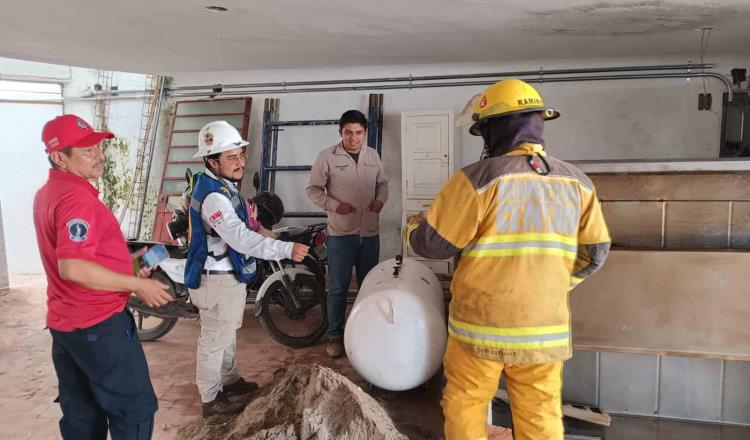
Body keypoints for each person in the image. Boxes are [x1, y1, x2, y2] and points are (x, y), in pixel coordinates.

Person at [405, 79, 611, 440]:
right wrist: (553, 286)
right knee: (540, 415)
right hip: (543, 330)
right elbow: (595, 254)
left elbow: (433, 245)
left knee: (466, 405)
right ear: (537, 123)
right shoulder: (578, 183)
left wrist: (413, 225)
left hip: (480, 328)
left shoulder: (477, 179)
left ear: (493, 129)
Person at [33, 114, 172, 439]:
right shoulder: (76, 200)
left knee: (82, 415)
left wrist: (129, 266)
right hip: (99, 326)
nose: (98, 155)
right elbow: (74, 268)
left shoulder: (48, 192)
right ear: (59, 157)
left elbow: (79, 258)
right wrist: (137, 283)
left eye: (97, 146)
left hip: (66, 324)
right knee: (134, 411)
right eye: (86, 150)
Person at [185, 120, 309, 416]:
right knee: (215, 339)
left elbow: (245, 225)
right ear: (211, 161)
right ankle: (210, 399)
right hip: (215, 278)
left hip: (228, 275)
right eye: (231, 158)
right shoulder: (213, 196)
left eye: (241, 155)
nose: (240, 163)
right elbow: (239, 238)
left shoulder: (223, 186)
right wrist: (285, 249)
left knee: (227, 333)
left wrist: (269, 234)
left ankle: (229, 381)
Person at [305, 110, 388, 358]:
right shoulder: (327, 157)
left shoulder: (372, 155)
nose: (353, 138)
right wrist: (334, 205)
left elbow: (382, 184)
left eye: (358, 133)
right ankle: (335, 337)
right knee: (339, 287)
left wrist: (380, 201)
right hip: (341, 234)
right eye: (348, 133)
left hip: (370, 233)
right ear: (340, 132)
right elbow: (312, 189)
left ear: (365, 133)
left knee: (369, 286)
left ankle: (366, 334)